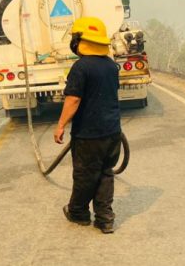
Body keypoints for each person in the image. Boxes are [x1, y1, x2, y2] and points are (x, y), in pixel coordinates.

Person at [54, 16, 121, 234]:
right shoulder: (111, 66)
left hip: (89, 134)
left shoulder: (81, 67)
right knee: (105, 173)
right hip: (112, 132)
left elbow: (73, 100)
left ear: (79, 41)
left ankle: (78, 212)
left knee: (85, 174)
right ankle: (105, 218)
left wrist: (61, 125)